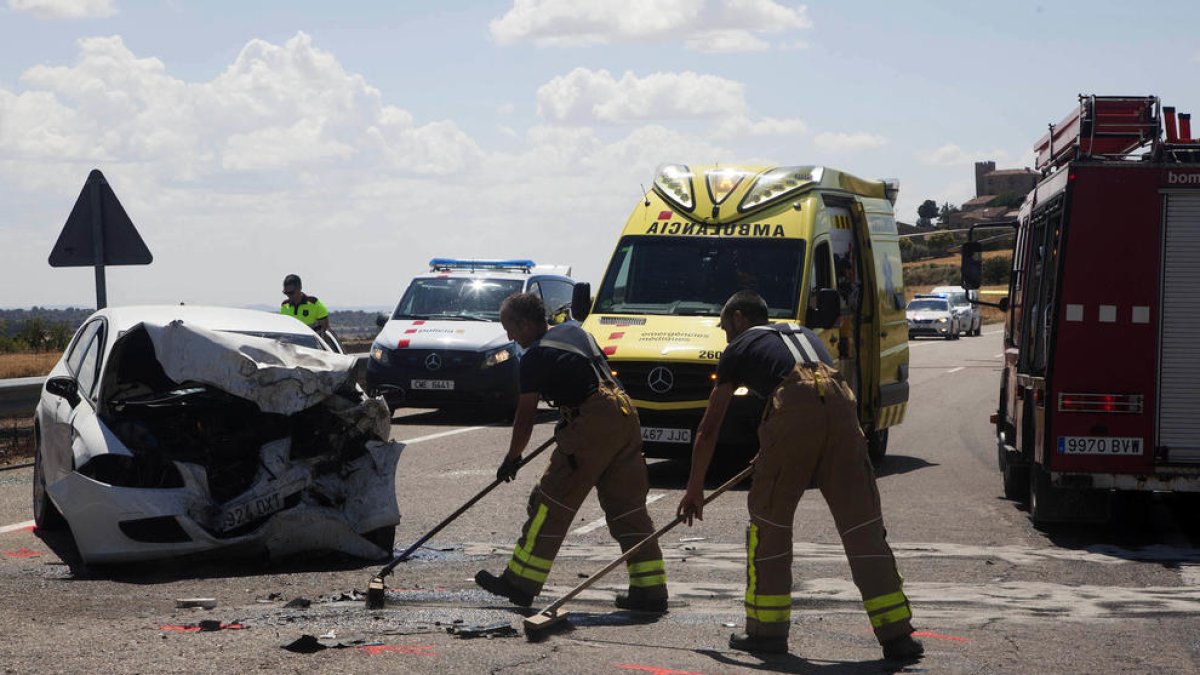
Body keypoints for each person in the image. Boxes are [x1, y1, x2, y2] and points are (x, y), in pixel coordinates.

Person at [676, 290, 923, 661]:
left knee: (769, 524)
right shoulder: (802, 335)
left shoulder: (739, 346)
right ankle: (897, 637)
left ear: (740, 318)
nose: (726, 333)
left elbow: (709, 429)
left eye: (725, 325)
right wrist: (775, 445)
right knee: (863, 527)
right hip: (841, 404)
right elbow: (817, 399)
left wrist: (694, 489)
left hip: (793, 407)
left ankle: (766, 633)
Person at [475, 292, 668, 611]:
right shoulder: (574, 330)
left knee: (551, 501)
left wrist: (513, 458)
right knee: (627, 507)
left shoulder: (534, 357)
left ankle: (520, 582)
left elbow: (525, 415)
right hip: (623, 413)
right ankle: (650, 589)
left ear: (524, 324)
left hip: (593, 420)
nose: (509, 336)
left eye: (509, 328)